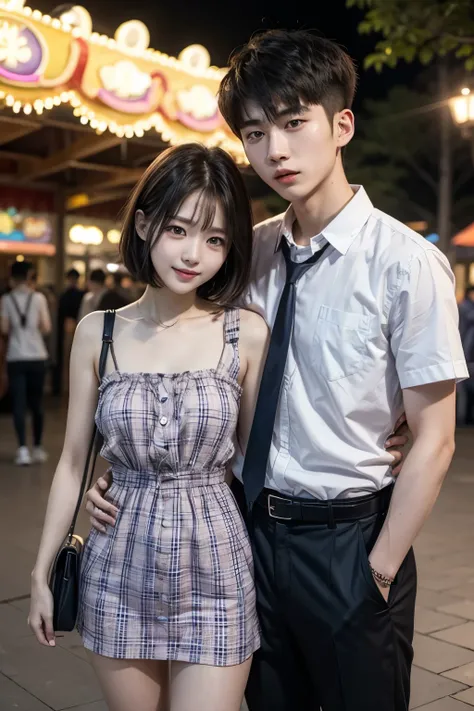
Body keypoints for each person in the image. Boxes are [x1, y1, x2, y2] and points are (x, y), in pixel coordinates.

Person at [86, 30, 465, 711]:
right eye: (256, 133)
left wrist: (378, 566)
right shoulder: (245, 253)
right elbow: (179, 357)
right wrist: (130, 463)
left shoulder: (405, 263)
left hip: (350, 541)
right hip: (247, 537)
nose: (277, 151)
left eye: (294, 124)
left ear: (342, 123)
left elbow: (436, 438)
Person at [29, 143, 269, 711]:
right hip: (116, 562)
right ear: (143, 223)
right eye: (178, 229)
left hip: (217, 562)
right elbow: (71, 461)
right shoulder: (97, 332)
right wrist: (41, 571)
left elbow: (260, 458)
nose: (194, 255)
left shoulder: (245, 333)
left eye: (214, 239)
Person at [0, 260, 51, 465]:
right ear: (30, 276)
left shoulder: (6, 299)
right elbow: (46, 327)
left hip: (15, 356)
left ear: (12, 278)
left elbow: (4, 329)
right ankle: (37, 447)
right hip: (37, 355)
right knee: (37, 403)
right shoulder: (38, 298)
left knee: (19, 404)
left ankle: (22, 450)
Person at [53, 268, 84, 395]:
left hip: (67, 330)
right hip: (74, 329)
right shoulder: (81, 294)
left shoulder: (64, 295)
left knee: (66, 358)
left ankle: (63, 388)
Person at [458, 285, 474, 424]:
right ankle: (465, 418)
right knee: (466, 389)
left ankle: (467, 417)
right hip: (466, 353)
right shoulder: (464, 308)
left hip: (467, 353)